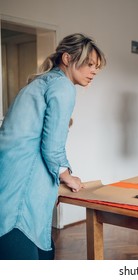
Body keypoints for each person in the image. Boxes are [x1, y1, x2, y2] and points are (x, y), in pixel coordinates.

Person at [0, 33, 106, 260]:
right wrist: (68, 176)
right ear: (67, 58)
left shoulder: (40, 82)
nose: (94, 71)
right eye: (89, 64)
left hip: (10, 182)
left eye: (96, 66)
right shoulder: (63, 86)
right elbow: (52, 148)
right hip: (21, 193)